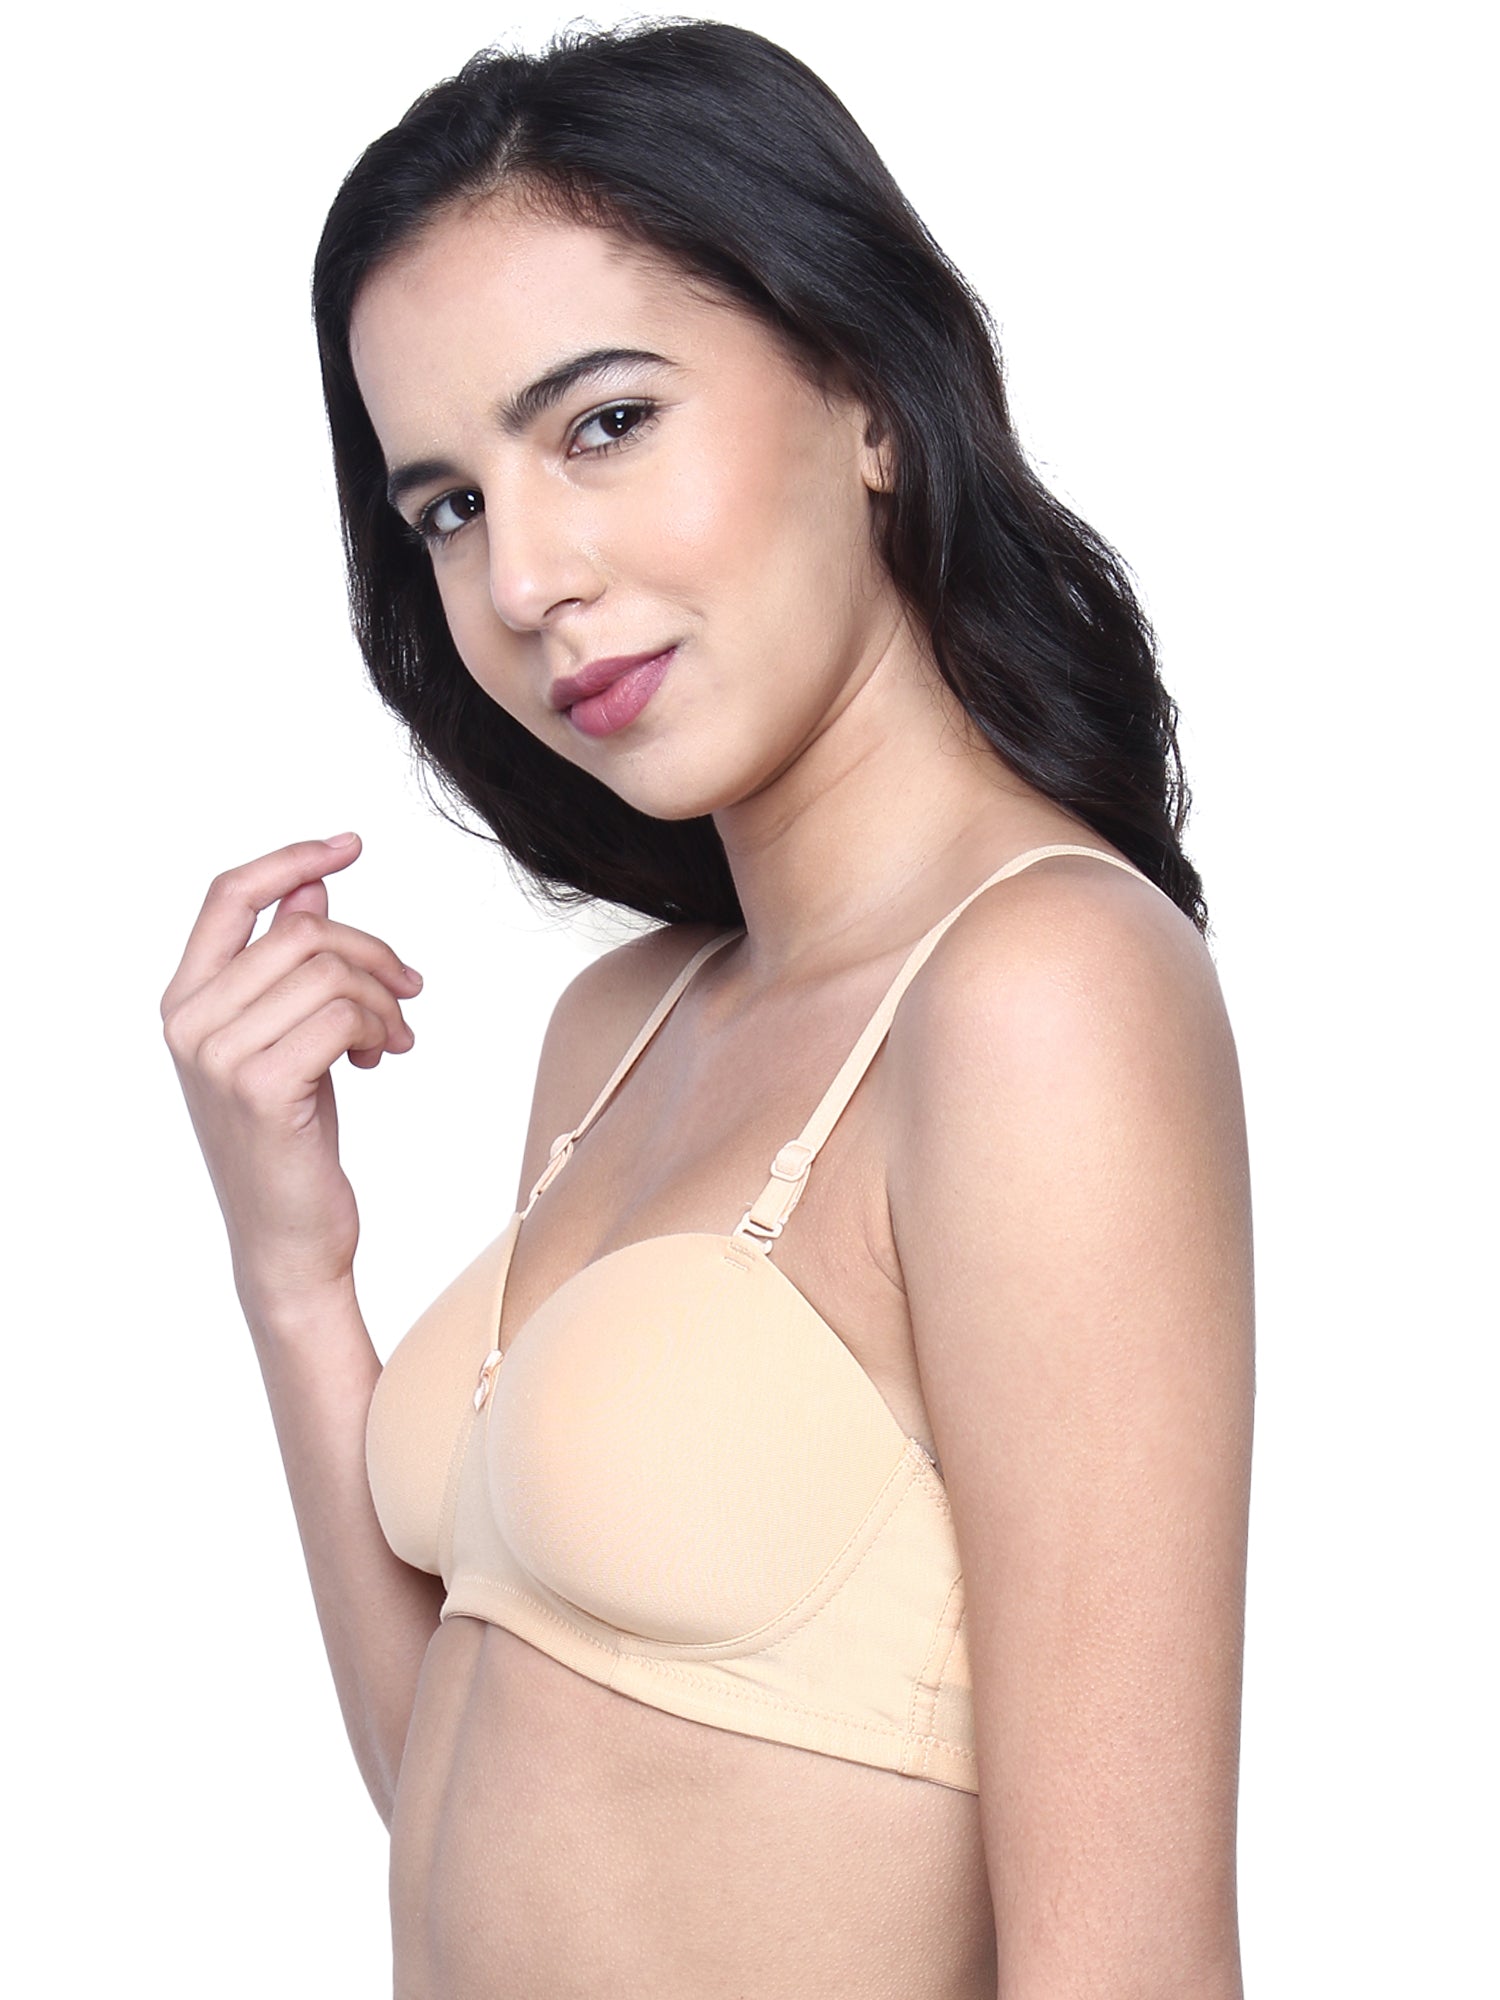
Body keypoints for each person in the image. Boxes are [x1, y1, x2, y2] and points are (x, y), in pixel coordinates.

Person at [162, 20, 1254, 1997]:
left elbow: (1131, 1957)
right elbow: (468, 1798)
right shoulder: (625, 1028)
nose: (522, 579)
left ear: (870, 396)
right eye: (446, 506)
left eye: (601, 424)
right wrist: (295, 1274)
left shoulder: (1038, 995)